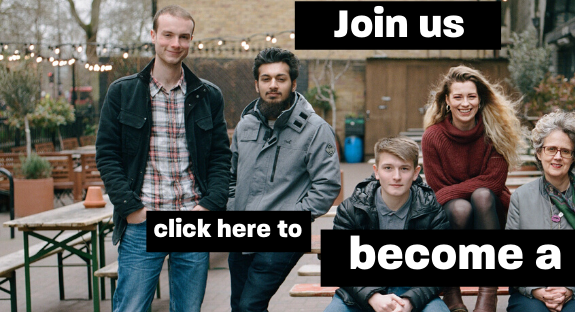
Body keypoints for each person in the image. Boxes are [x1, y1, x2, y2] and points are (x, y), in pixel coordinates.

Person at [96, 5, 231, 312]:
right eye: (168, 35)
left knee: (188, 309)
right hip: (143, 221)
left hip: (191, 220)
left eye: (183, 37)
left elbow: (222, 158)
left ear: (191, 40)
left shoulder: (208, 95)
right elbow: (107, 155)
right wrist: (131, 208)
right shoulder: (123, 92)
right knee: (130, 308)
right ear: (154, 36)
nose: (175, 43)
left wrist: (209, 206)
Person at [227, 47, 341, 312]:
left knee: (249, 307)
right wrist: (232, 209)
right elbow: (231, 176)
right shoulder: (245, 125)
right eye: (266, 79)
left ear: (293, 83)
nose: (273, 85)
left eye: (281, 78)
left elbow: (326, 186)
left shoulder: (316, 130)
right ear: (256, 84)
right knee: (239, 306)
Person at [421, 65, 521, 312]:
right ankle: (451, 294)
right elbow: (437, 188)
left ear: (480, 99)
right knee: (460, 208)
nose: (465, 103)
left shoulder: (494, 131)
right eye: (458, 97)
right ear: (447, 100)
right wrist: (449, 195)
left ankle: (489, 291)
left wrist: (448, 193)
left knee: (483, 195)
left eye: (471, 96)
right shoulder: (433, 136)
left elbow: (494, 182)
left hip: (492, 217)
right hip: (452, 222)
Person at [325, 136, 449, 312]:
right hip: (362, 291)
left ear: (415, 173)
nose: (396, 177)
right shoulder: (352, 208)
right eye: (388, 168)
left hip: (414, 291)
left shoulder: (431, 210)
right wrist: (373, 297)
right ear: (376, 171)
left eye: (404, 169)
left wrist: (411, 301)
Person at [505, 110, 575, 312]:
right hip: (532, 291)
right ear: (539, 152)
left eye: (565, 151)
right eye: (551, 149)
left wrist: (570, 290)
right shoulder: (521, 197)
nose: (557, 156)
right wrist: (538, 291)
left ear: (574, 156)